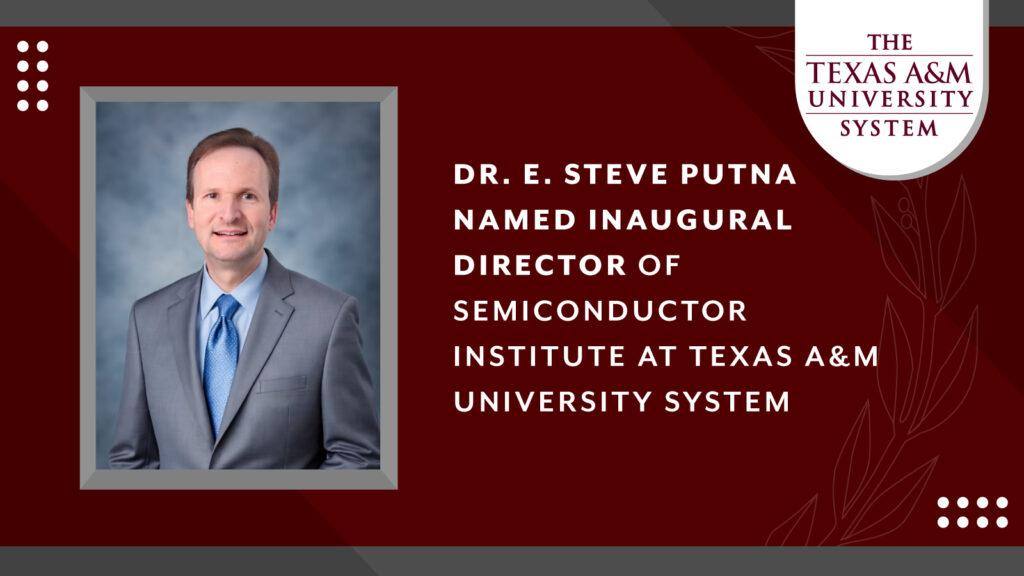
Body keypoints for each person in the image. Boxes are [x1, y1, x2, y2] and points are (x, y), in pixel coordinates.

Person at [109, 127, 380, 469]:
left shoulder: (329, 317)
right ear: (190, 212)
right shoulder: (147, 318)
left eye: (247, 196)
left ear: (272, 213)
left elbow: (355, 458)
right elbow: (133, 460)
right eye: (212, 196)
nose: (229, 214)